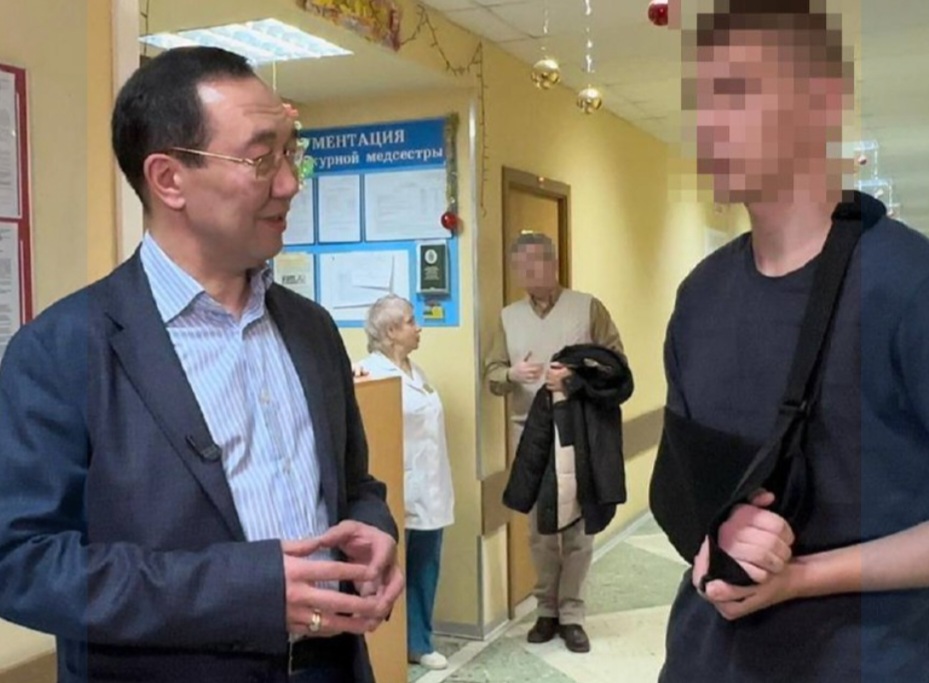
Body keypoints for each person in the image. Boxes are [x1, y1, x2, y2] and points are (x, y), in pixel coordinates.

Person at [0, 46, 403, 683]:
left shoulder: (312, 329)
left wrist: (374, 528)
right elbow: (22, 563)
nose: (289, 183)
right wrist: (246, 591)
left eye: (291, 152)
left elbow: (355, 484)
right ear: (168, 179)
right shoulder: (62, 350)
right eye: (261, 158)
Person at [653, 1, 929, 681]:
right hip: (703, 658)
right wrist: (712, 534)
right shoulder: (699, 296)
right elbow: (683, 485)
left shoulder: (908, 285)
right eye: (702, 99)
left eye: (737, 90)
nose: (709, 122)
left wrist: (801, 576)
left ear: (822, 102)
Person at [483, 232, 626, 653]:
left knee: (578, 530)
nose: (528, 273)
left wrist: (575, 376)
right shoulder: (508, 318)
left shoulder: (588, 308)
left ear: (554, 263)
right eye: (520, 266)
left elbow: (617, 365)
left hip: (579, 431)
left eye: (536, 263)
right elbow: (492, 373)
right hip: (530, 437)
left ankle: (572, 614)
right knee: (540, 530)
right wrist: (512, 375)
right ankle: (546, 609)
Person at [355, 295, 455, 671]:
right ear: (391, 331)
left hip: (431, 488)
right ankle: (386, 650)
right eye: (411, 321)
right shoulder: (367, 374)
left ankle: (419, 642)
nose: (419, 327)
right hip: (396, 490)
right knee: (388, 572)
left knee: (425, 569)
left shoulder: (417, 372)